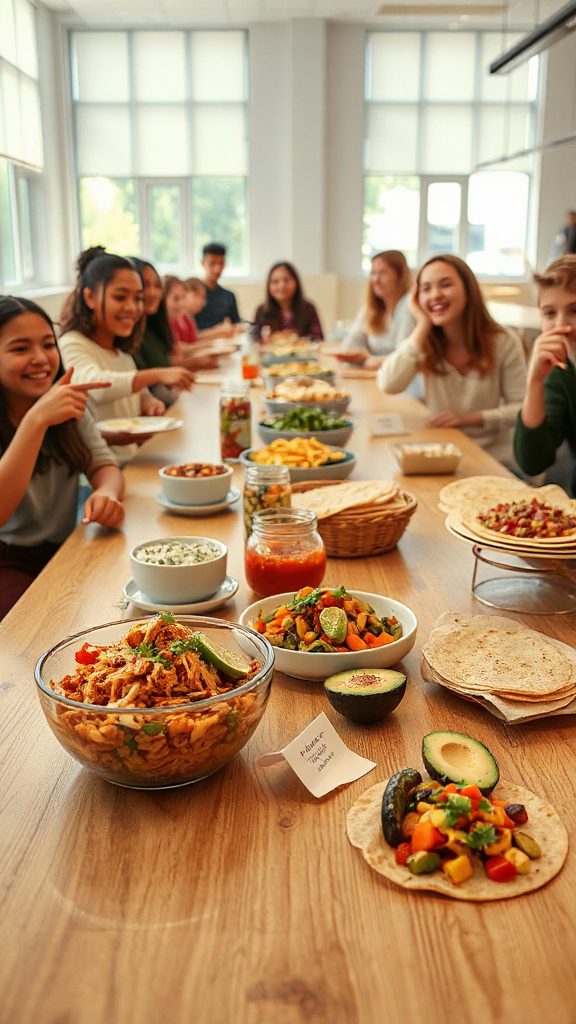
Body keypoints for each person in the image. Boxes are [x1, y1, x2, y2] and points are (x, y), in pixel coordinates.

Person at [0, 295, 125, 620]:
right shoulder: (48, 408)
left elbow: (103, 465)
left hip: (63, 547)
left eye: (47, 344)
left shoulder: (68, 404)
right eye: (20, 348)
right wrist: (35, 421)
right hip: (6, 561)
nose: (40, 358)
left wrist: (106, 492)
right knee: (38, 623)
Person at [378, 254, 527, 466]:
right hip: (442, 455)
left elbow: (521, 409)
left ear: (468, 290)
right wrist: (421, 324)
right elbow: (389, 384)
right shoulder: (423, 342)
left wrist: (469, 418)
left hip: (493, 459)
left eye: (445, 285)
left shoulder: (504, 341)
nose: (435, 295)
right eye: (426, 289)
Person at [59, 248, 194, 463]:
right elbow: (95, 386)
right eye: (120, 297)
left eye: (138, 299)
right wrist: (157, 375)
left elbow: (135, 393)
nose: (132, 308)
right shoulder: (72, 344)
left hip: (132, 460)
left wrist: (149, 403)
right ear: (90, 297)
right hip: (99, 473)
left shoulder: (121, 353)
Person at [514, 255, 576, 489]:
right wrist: (535, 381)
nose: (562, 325)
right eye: (550, 313)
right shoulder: (561, 372)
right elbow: (533, 462)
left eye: (575, 310)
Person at [339, 250, 414, 367]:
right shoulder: (370, 309)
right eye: (373, 273)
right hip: (374, 376)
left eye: (383, 273)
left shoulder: (409, 306)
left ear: (400, 276)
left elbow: (403, 357)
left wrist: (368, 360)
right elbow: (349, 345)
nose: (376, 280)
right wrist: (364, 359)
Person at [252, 261, 324, 340]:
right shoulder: (262, 310)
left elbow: (318, 338)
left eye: (286, 280)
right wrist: (263, 339)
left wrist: (296, 340)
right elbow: (254, 339)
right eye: (275, 282)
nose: (282, 286)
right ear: (269, 286)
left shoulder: (309, 308)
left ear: (296, 283)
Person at [195, 242, 241, 331]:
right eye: (212, 263)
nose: (217, 269)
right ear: (202, 263)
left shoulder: (229, 296)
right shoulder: (192, 294)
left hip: (223, 343)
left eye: (221, 263)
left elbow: (236, 324)